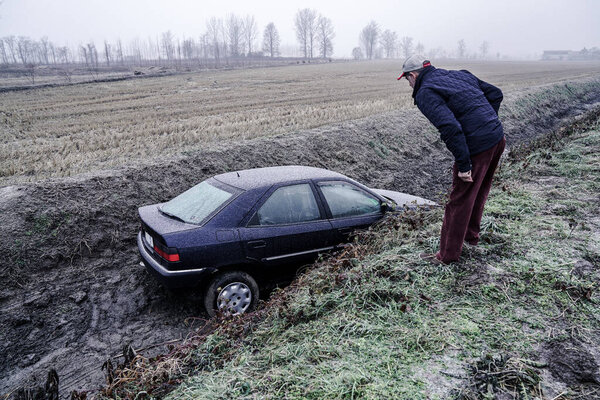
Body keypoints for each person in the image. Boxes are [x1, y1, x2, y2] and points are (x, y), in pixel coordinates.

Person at [397, 55, 505, 264]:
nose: (409, 85)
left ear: (414, 75)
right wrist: (488, 122)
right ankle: (470, 237)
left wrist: (464, 165)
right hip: (497, 138)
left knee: (458, 200)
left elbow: (450, 127)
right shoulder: (459, 75)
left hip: (478, 147)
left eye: (407, 80)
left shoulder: (425, 92)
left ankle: (447, 255)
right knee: (479, 191)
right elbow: (495, 94)